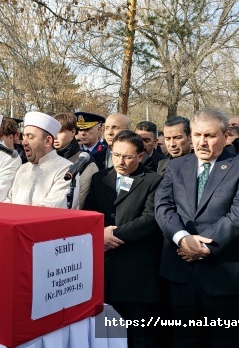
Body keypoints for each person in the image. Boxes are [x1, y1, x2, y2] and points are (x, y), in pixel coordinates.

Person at [154, 108, 239, 348]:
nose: (202, 141)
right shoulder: (175, 167)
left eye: (210, 136)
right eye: (197, 134)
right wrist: (182, 238)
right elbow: (162, 207)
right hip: (180, 274)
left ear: (225, 136)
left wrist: (204, 246)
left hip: (225, 277)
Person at [84, 130, 163, 348]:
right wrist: (99, 234)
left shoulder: (153, 180)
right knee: (106, 332)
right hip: (104, 270)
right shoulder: (100, 178)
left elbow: (150, 219)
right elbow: (89, 212)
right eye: (117, 155)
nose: (121, 161)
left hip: (136, 273)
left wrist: (113, 235)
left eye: (128, 156)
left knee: (139, 335)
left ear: (140, 156)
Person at [5, 111, 77, 208]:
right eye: (24, 136)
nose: (24, 142)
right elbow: (10, 199)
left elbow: (51, 210)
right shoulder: (22, 169)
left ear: (48, 141)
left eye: (30, 137)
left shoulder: (66, 170)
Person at [53, 113, 98, 208]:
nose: (55, 136)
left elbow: (80, 199)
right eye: (53, 132)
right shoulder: (48, 157)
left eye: (60, 132)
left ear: (73, 132)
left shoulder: (85, 161)